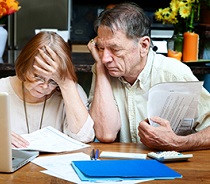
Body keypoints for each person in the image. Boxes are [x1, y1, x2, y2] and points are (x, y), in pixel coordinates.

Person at [87, 2, 210, 151]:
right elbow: (105, 134)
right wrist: (100, 69)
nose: (105, 58)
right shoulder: (102, 68)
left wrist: (178, 143)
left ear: (144, 46)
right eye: (100, 48)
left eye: (115, 49)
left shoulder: (173, 73)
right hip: (126, 167)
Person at [0, 31, 95, 147]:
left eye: (53, 81)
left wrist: (66, 83)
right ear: (24, 67)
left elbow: (84, 137)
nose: (45, 87)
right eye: (38, 77)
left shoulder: (70, 90)